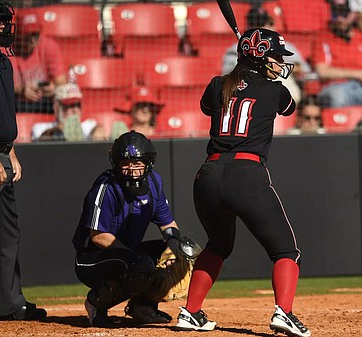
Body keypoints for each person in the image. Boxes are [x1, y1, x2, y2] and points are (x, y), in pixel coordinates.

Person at [175, 28, 310, 337]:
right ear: (260, 57)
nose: (279, 64)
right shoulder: (275, 90)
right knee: (286, 251)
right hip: (246, 175)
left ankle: (190, 312)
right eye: (275, 58)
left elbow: (210, 106)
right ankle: (284, 313)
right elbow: (289, 108)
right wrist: (260, 79)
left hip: (207, 176)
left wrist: (247, 75)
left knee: (218, 245)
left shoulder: (217, 85)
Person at [0, 0, 47, 329]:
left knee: (6, 232)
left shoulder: (1, 60)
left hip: (2, 153)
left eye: (5, 22)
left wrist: (10, 151)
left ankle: (7, 302)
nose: (3, 28)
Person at [72, 131, 185, 327]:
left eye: (137, 163)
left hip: (129, 254)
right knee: (140, 265)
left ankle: (143, 307)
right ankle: (96, 303)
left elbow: (167, 224)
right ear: (115, 163)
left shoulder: (154, 182)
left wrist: (173, 247)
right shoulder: (106, 186)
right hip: (93, 259)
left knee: (186, 252)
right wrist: (135, 257)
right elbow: (98, 236)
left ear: (148, 163)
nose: (131, 169)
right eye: (125, 163)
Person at [221, 6, 311, 104]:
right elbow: (229, 73)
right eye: (257, 24)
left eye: (267, 23)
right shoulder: (237, 48)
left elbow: (305, 70)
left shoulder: (285, 45)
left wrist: (281, 68)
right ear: (248, 26)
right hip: (246, 88)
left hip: (277, 88)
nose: (263, 27)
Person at [11, 8, 67, 114]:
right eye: (28, 35)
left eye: (35, 34)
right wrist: (22, 90)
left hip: (45, 104)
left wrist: (53, 88)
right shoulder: (9, 50)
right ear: (19, 34)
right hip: (17, 105)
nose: (33, 39)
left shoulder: (48, 46)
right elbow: (3, 86)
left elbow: (61, 83)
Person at [31, 83, 99, 141]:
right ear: (56, 108)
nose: (75, 110)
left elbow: (98, 132)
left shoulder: (89, 126)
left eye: (78, 105)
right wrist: (60, 130)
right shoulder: (40, 128)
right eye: (70, 105)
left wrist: (98, 130)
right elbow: (42, 141)